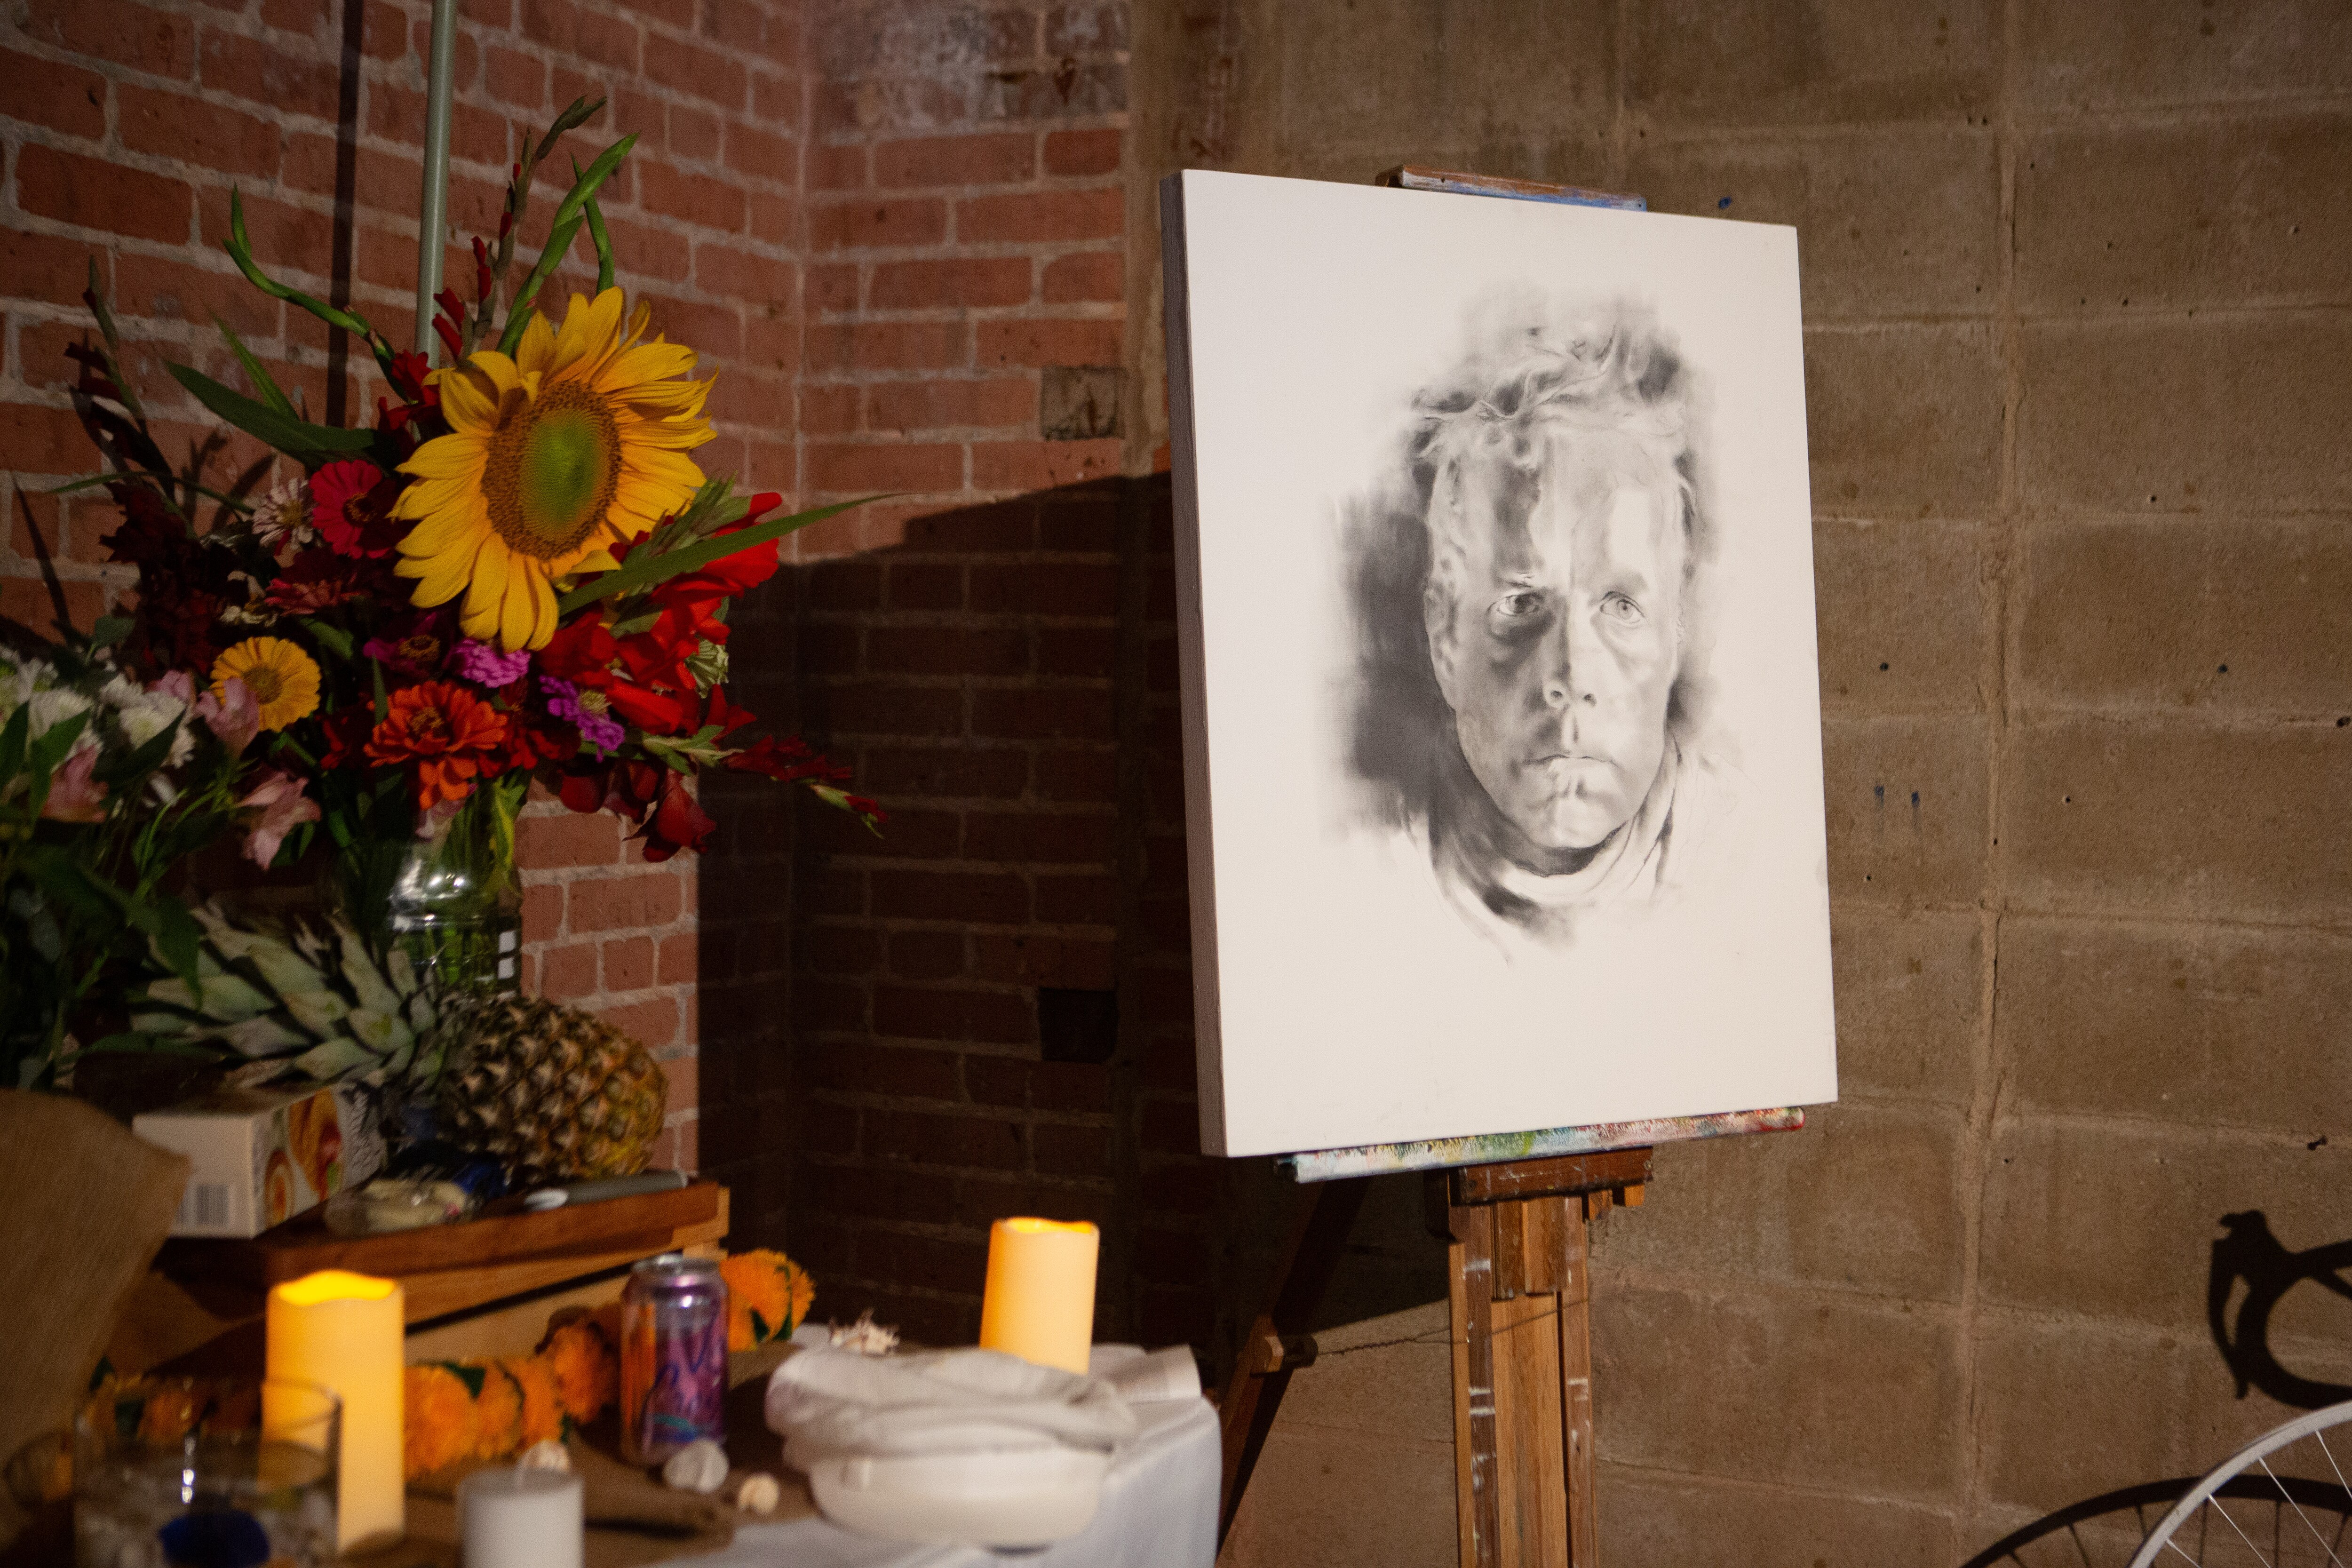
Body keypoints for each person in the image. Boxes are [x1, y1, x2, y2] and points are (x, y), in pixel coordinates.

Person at [1384, 302, 1740, 949]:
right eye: (1521, 605)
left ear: (1676, 631)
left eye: (1621, 606)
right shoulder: (1369, 874)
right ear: (1444, 638)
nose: (1572, 677)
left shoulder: (1743, 860)